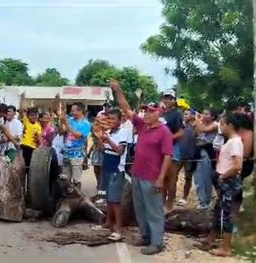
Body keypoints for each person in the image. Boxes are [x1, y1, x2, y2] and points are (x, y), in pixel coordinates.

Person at [111, 79, 173, 255]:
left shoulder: (164, 132)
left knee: (154, 210)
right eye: (145, 111)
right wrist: (118, 90)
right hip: (137, 174)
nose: (145, 114)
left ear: (158, 114)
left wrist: (161, 178)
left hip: (152, 177)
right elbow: (126, 108)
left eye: (150, 111)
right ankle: (146, 236)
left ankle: (157, 242)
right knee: (140, 208)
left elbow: (168, 156)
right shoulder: (142, 125)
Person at [198, 113, 243, 257]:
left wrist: (223, 176)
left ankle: (226, 247)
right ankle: (211, 238)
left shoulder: (235, 142)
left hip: (228, 181)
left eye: (222, 124)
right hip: (224, 180)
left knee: (227, 214)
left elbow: (237, 165)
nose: (220, 126)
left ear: (229, 125)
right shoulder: (230, 141)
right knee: (219, 210)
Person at [94, 109, 130, 242]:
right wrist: (100, 138)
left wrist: (108, 140)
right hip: (107, 166)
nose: (110, 121)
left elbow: (120, 151)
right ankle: (108, 222)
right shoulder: (108, 132)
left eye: (113, 119)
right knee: (109, 198)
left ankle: (119, 229)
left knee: (115, 200)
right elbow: (101, 150)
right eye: (108, 119)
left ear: (120, 120)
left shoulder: (124, 132)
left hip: (116, 168)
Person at [160, 89, 184, 214]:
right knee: (162, 177)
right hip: (161, 149)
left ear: (174, 100)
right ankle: (162, 203)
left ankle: (170, 204)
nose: (167, 100)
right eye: (165, 97)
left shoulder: (177, 114)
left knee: (171, 178)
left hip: (173, 148)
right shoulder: (162, 114)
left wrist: (168, 138)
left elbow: (181, 132)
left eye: (170, 98)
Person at [60, 102, 92, 188]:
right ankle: (66, 198)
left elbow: (78, 135)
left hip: (77, 155)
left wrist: (67, 125)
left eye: (74, 111)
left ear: (80, 111)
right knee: (64, 179)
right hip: (66, 153)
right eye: (71, 111)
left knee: (76, 180)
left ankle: (77, 198)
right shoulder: (70, 120)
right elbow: (62, 131)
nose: (72, 112)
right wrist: (61, 122)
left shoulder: (86, 124)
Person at [193, 108, 219, 209]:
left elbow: (203, 130)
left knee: (207, 178)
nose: (203, 115)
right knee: (198, 178)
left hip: (208, 152)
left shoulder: (215, 125)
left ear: (212, 116)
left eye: (206, 114)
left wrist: (197, 119)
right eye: (203, 113)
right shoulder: (201, 124)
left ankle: (207, 202)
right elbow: (194, 135)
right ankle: (201, 201)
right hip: (198, 152)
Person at [176, 109, 198, 207]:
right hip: (179, 155)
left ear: (193, 115)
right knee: (174, 175)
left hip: (190, 156)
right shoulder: (181, 126)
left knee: (188, 177)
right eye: (183, 114)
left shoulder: (196, 127)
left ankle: (185, 197)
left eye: (186, 114)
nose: (184, 115)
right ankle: (172, 196)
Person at [19, 93, 42, 171]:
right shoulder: (26, 121)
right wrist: (22, 99)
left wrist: (41, 146)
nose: (34, 117)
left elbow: (39, 137)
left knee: (30, 167)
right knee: (23, 166)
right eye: (32, 115)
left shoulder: (38, 126)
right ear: (28, 116)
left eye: (36, 115)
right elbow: (21, 110)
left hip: (33, 148)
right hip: (24, 146)